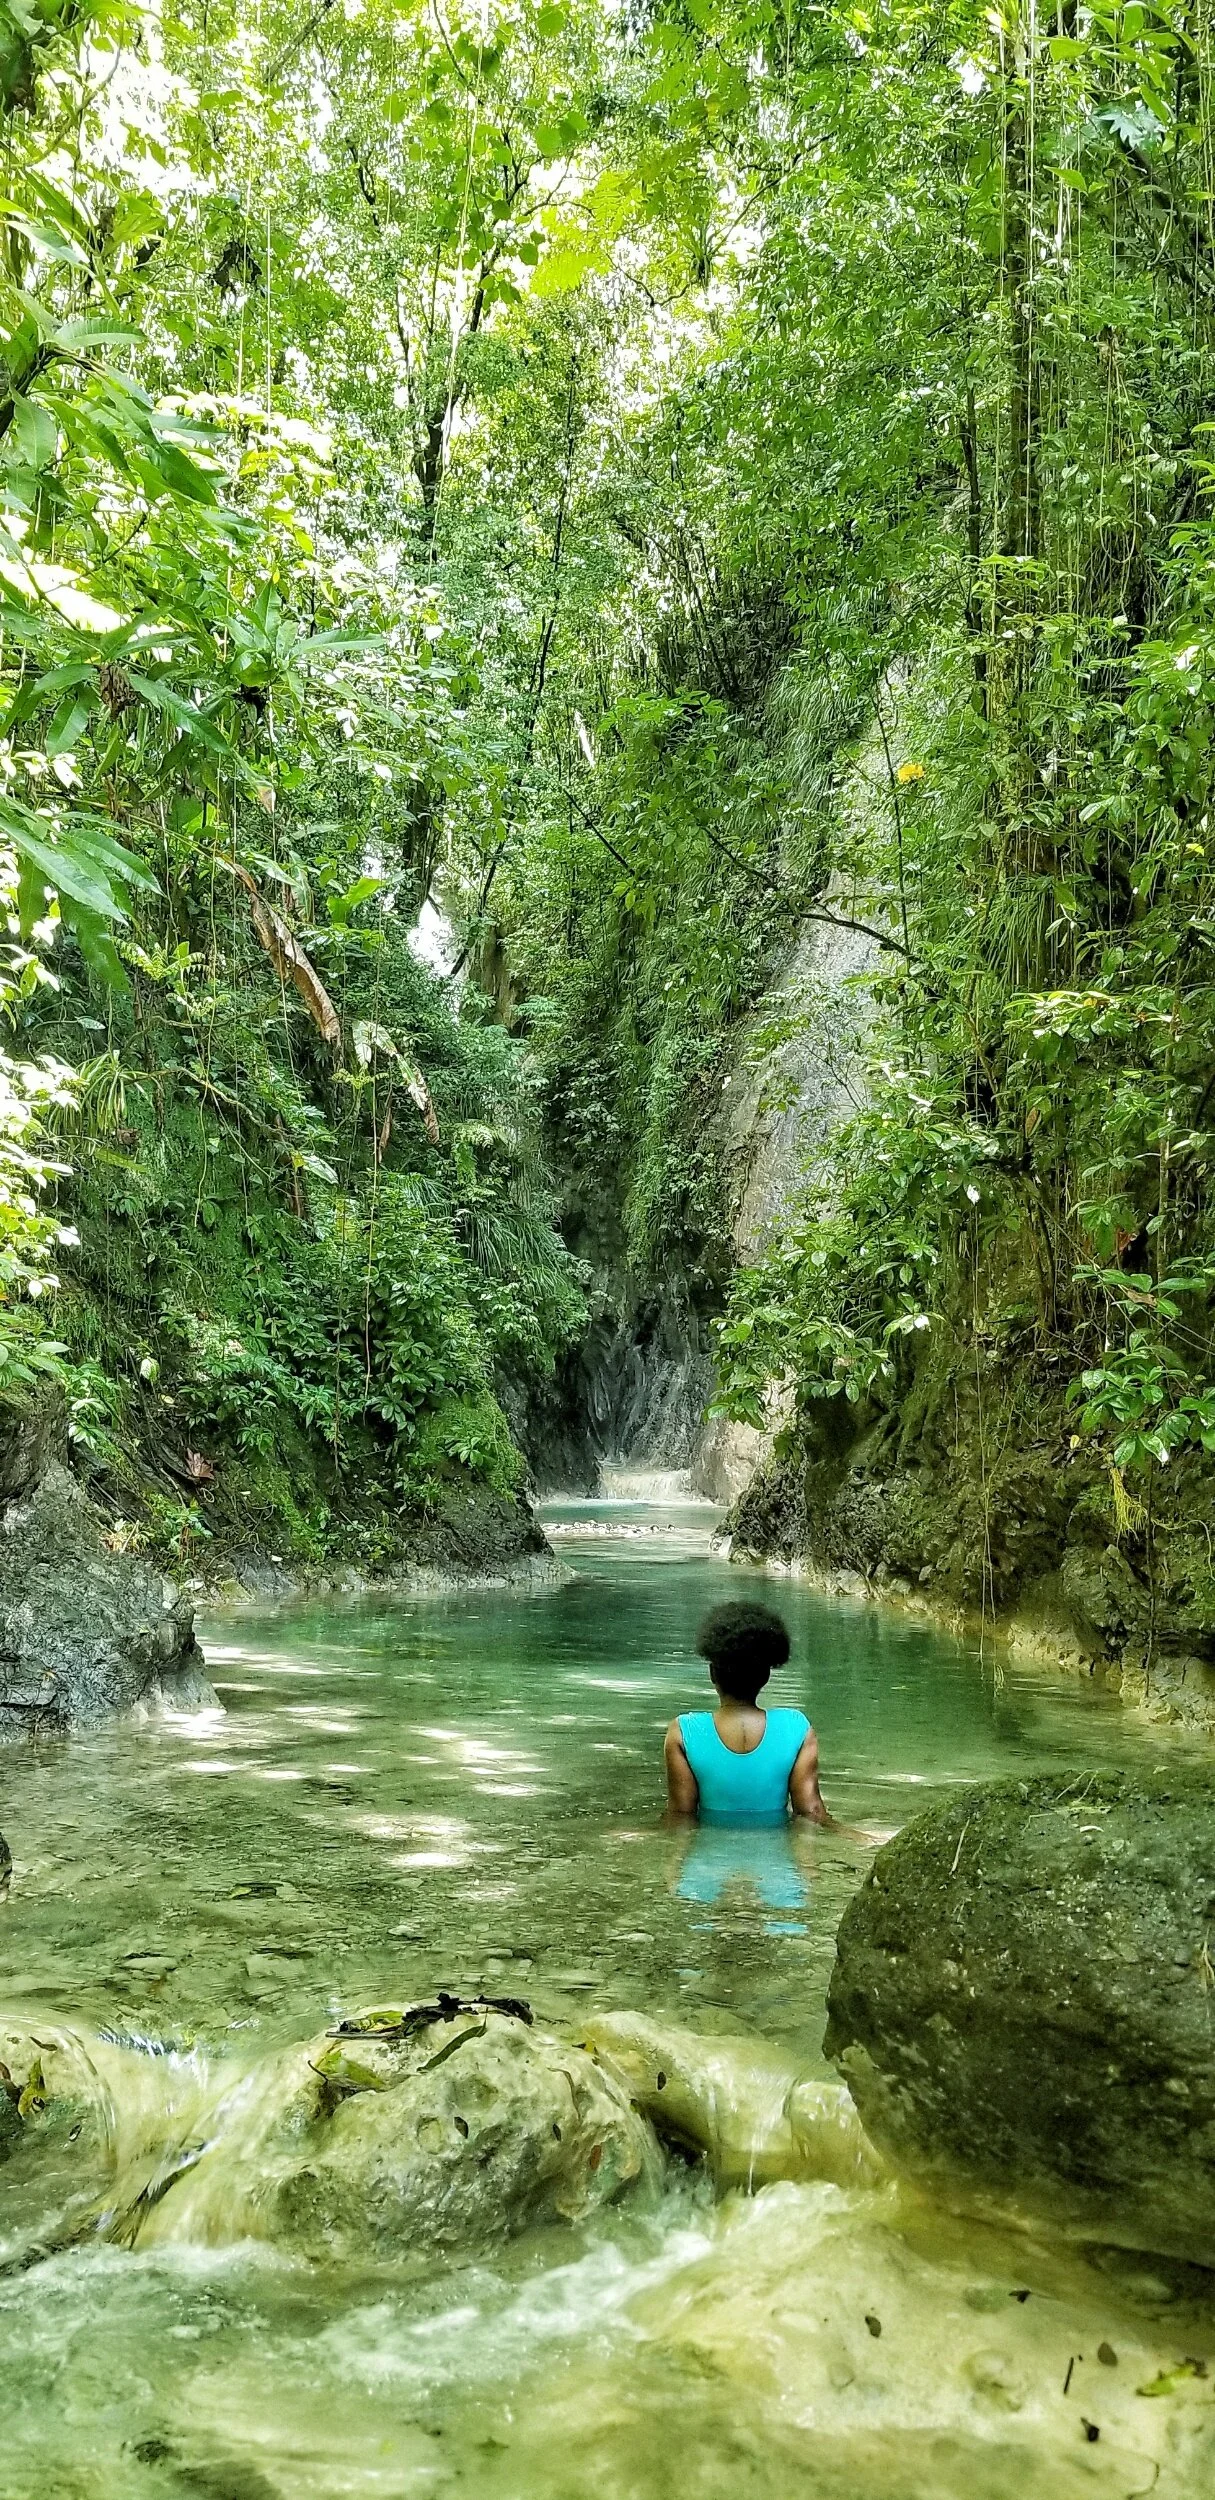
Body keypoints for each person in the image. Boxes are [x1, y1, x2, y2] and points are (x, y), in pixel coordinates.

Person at [664, 1598, 838, 1829]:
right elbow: (811, 1811)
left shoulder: (684, 1731)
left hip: (706, 1863)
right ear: (766, 1676)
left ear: (712, 1673)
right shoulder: (796, 1728)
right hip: (779, 1864)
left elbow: (680, 1816)